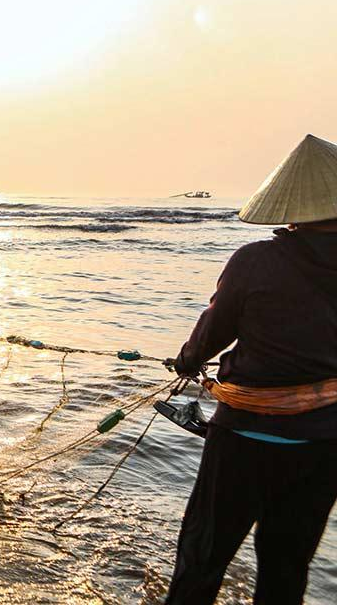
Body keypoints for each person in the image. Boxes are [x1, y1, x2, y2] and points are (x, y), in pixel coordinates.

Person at [165, 134, 337, 605]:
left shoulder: (255, 260)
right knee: (286, 570)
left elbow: (211, 333)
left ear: (293, 206)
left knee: (202, 558)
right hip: (324, 446)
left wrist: (185, 361)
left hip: (243, 441)